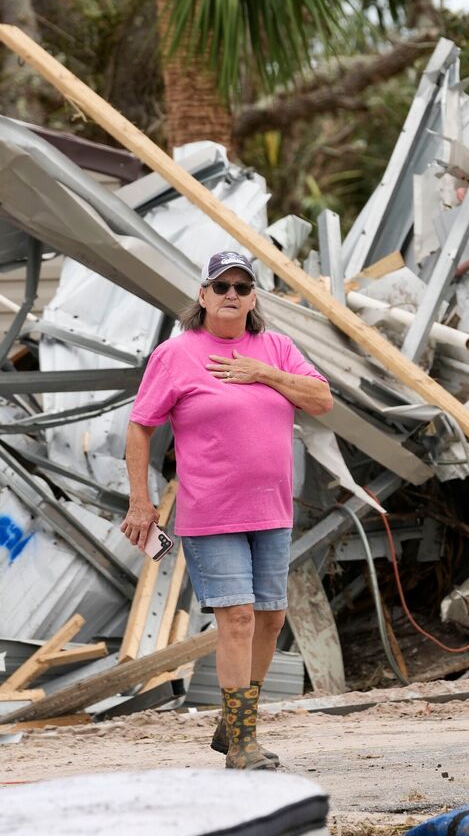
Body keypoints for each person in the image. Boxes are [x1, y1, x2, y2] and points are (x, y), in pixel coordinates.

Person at [122, 250, 333, 771]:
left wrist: (263, 373)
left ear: (254, 296)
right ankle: (243, 743)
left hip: (273, 509)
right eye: (221, 286)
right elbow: (140, 425)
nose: (231, 294)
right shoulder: (176, 354)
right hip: (212, 511)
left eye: (242, 286)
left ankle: (234, 721)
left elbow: (322, 399)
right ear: (202, 295)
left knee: (270, 617)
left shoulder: (276, 348)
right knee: (237, 617)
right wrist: (141, 501)